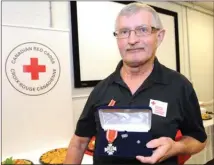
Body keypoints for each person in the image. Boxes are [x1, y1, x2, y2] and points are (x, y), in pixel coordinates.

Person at [64, 2, 207, 165]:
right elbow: (79, 142)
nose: (132, 40)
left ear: (159, 36)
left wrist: (176, 147)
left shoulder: (180, 86)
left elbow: (199, 139)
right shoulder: (101, 90)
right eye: (124, 32)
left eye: (142, 30)